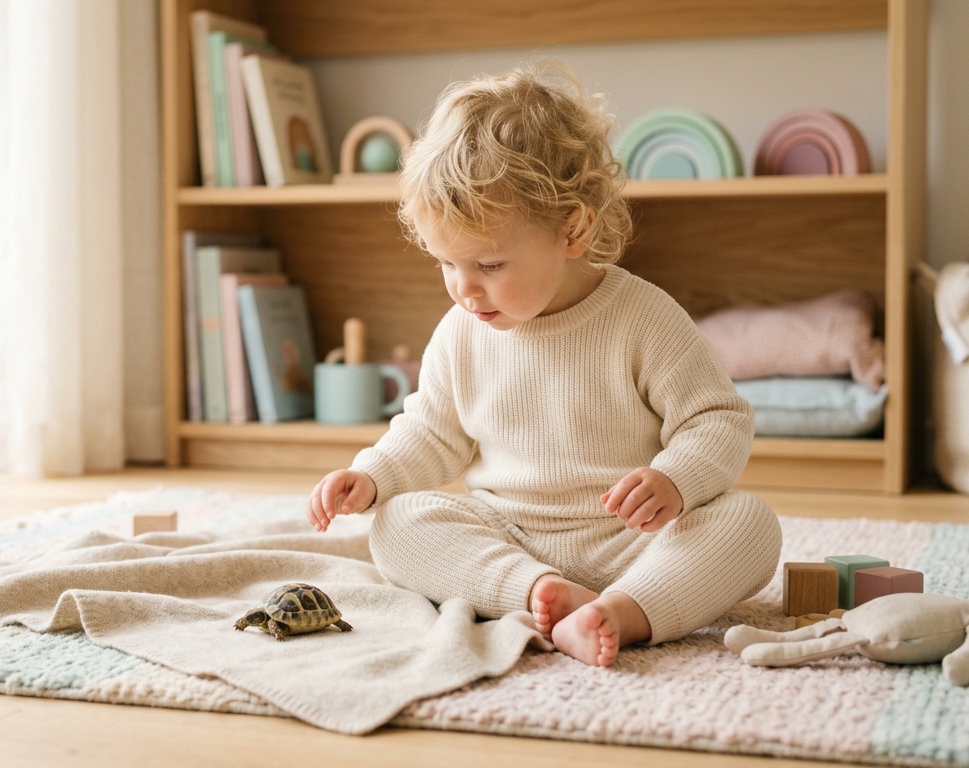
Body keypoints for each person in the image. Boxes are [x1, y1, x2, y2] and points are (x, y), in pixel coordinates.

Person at [304, 62, 781, 667]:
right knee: (397, 524)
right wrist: (373, 476)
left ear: (573, 228)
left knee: (751, 525)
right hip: (508, 538)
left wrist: (677, 480)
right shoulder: (461, 332)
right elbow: (431, 432)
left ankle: (624, 612)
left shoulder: (643, 317)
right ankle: (538, 593)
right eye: (447, 264)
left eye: (490, 266)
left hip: (632, 545)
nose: (464, 290)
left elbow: (717, 419)